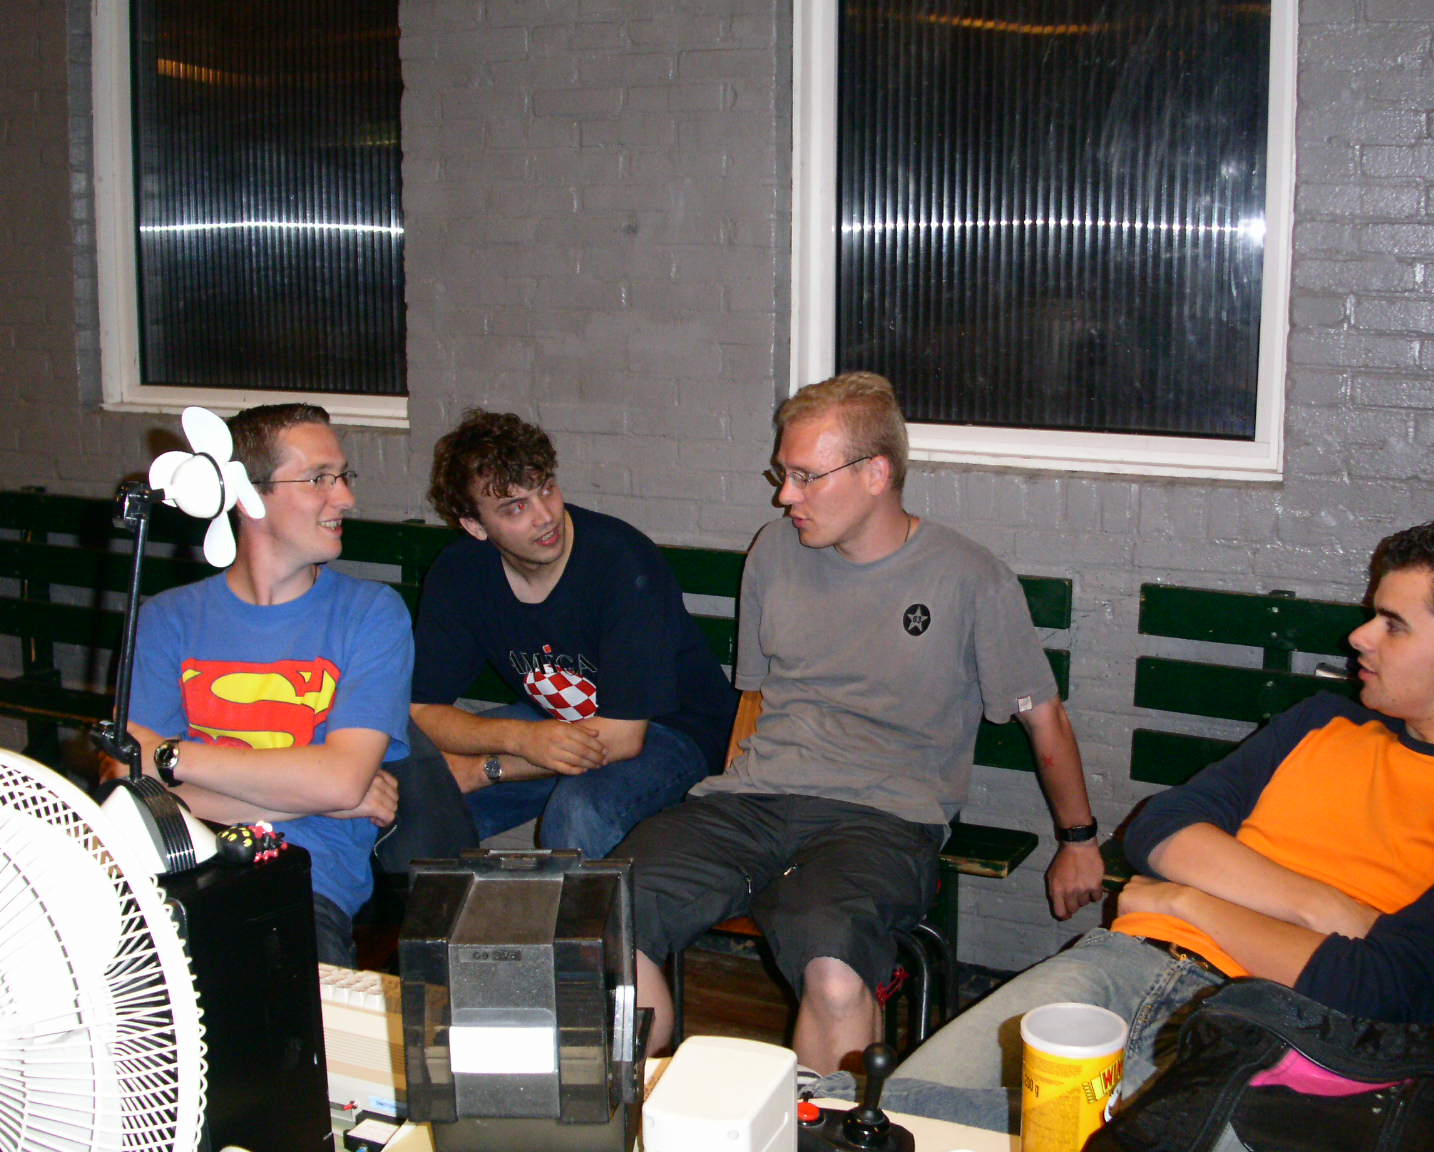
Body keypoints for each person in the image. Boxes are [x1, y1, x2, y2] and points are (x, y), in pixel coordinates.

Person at [868, 518, 1434, 1132]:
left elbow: (1381, 989)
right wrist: (1324, 911)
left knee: (987, 1128)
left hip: (1290, 1035)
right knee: (901, 1117)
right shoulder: (1324, 722)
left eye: (1393, 624)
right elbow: (1161, 828)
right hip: (1121, 968)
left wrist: (1186, 901)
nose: (1359, 635)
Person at [617, 372, 1105, 1072]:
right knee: (610, 917)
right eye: (783, 475)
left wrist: (1079, 840)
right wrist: (730, 794)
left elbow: (1042, 715)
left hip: (883, 818)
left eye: (805, 477)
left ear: (876, 474)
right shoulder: (774, 550)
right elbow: (754, 699)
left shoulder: (969, 577)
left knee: (835, 971)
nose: (785, 496)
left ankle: (829, 1121)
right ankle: (630, 1109)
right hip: (754, 801)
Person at [113, 403, 413, 967]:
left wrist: (171, 758)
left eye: (343, 475)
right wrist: (309, 796)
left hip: (301, 886)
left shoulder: (371, 614)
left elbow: (342, 780)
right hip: (172, 870)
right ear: (248, 495)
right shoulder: (168, 617)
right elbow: (126, 783)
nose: (346, 498)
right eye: (319, 478)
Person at [408, 409, 736, 856]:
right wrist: (520, 740)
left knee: (580, 810)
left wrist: (488, 768)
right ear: (475, 526)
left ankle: (593, 907)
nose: (545, 516)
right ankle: (439, 903)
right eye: (515, 507)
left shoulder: (620, 561)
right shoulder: (460, 573)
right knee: (420, 794)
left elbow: (623, 739)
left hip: (676, 734)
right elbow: (423, 709)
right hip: (555, 727)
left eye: (546, 488)